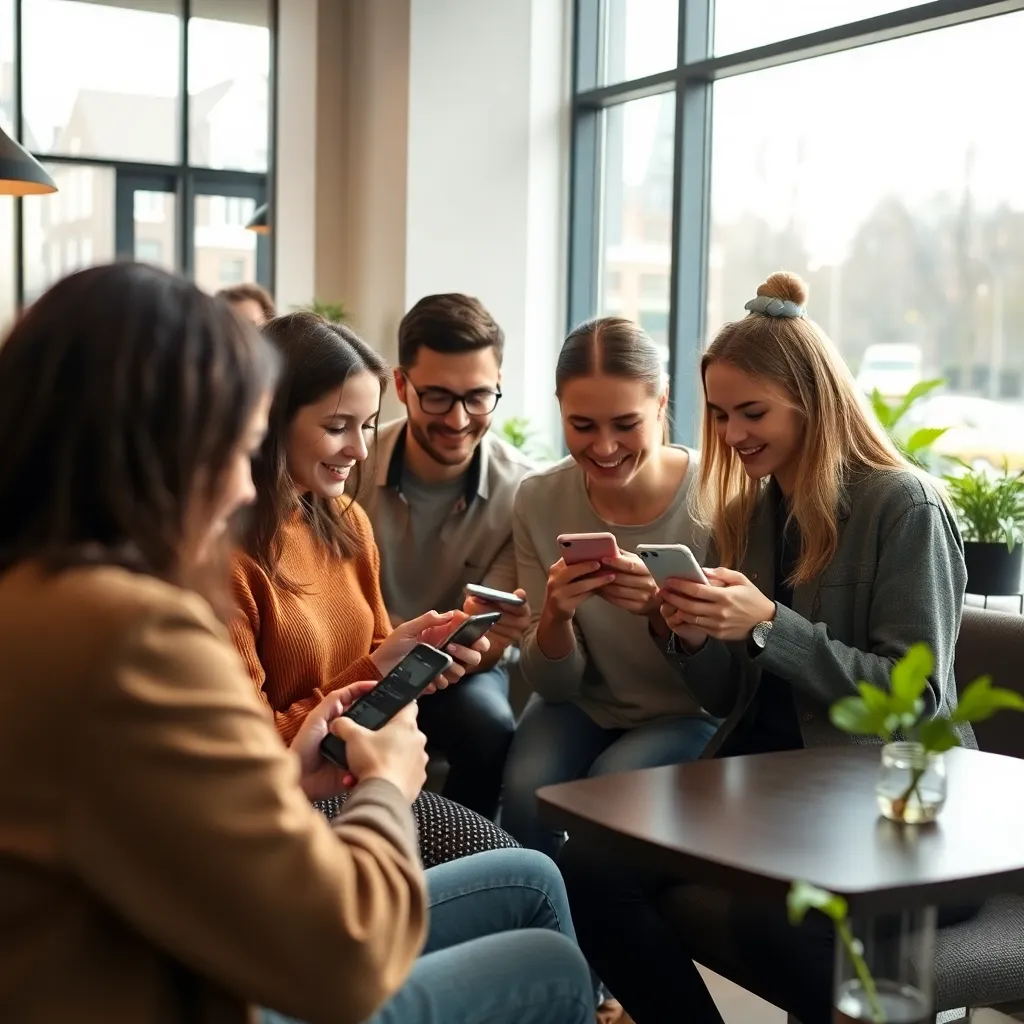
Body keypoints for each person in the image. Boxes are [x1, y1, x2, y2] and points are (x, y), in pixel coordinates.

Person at [0, 263, 593, 1024]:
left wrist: (349, 709)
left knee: (532, 880)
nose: (245, 486)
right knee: (546, 963)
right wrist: (383, 785)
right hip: (209, 975)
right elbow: (345, 957)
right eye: (233, 446)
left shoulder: (36, 596)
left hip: (177, 924)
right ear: (156, 446)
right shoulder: (135, 633)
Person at [558, 272, 977, 1024]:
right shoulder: (753, 514)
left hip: (889, 810)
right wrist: (686, 630)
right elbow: (729, 699)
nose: (731, 434)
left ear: (813, 401)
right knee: (587, 867)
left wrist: (766, 626)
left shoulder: (903, 506)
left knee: (770, 922)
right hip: (773, 794)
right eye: (718, 414)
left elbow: (915, 704)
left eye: (751, 412)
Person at [229, 310, 522, 867]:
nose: (362, 450)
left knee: (519, 864)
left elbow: (377, 658)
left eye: (367, 426)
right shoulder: (231, 560)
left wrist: (410, 655)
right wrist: (377, 670)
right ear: (269, 419)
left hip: (361, 778)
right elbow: (249, 750)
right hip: (290, 802)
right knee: (523, 878)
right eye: (338, 426)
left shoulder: (345, 523)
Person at [502, 316, 718, 857]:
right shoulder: (538, 499)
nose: (604, 447)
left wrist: (657, 610)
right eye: (582, 425)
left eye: (626, 424)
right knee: (526, 798)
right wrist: (554, 617)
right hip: (582, 703)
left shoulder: (717, 500)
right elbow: (552, 686)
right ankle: (545, 939)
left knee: (607, 790)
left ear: (662, 403)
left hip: (687, 711)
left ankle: (593, 938)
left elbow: (726, 681)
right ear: (559, 410)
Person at [362, 293, 534, 820]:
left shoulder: (522, 491)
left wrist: (478, 642)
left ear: (499, 382)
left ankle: (465, 872)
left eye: (478, 397)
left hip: (462, 673)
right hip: (358, 660)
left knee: (490, 726)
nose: (459, 420)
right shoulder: (350, 471)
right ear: (400, 385)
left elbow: (487, 637)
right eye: (436, 397)